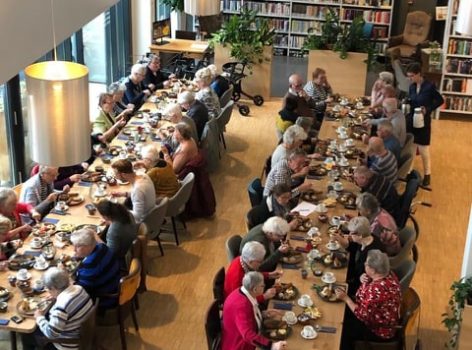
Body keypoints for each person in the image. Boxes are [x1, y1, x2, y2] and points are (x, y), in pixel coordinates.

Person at [335, 250, 401, 350]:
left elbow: (362, 315)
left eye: (366, 264)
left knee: (342, 328)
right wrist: (364, 278)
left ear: (373, 270)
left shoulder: (376, 291)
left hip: (377, 329)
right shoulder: (389, 274)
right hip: (373, 313)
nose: (365, 264)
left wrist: (346, 299)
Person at [21, 267, 94, 350]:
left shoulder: (61, 308)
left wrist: (39, 317)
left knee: (26, 335)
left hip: (69, 344)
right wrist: (57, 296)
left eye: (48, 289)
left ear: (54, 288)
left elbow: (51, 334)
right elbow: (70, 303)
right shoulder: (79, 288)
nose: (47, 291)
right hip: (83, 332)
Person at [222, 271, 287, 350]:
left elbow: (249, 314)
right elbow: (247, 335)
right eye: (263, 285)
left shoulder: (245, 291)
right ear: (255, 289)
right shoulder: (241, 306)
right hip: (240, 345)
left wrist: (262, 314)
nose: (265, 286)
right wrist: (272, 346)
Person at [406, 62, 444, 187]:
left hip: (423, 121)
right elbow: (411, 100)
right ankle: (409, 172)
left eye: (411, 76)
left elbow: (440, 100)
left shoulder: (429, 86)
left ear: (418, 74)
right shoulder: (411, 87)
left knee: (423, 149)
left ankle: (427, 175)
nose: (410, 78)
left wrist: (428, 109)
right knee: (411, 147)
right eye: (409, 76)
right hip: (412, 120)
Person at [332, 216, 385, 293]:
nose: (349, 234)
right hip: (353, 272)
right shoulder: (365, 239)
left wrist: (363, 277)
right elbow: (351, 247)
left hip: (359, 285)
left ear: (360, 235)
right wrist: (339, 239)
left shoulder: (375, 252)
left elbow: (374, 276)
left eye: (352, 233)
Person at [71, 228, 121, 309]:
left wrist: (67, 277)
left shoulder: (90, 266)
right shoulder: (102, 247)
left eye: (78, 246)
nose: (74, 249)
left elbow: (79, 291)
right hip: (115, 283)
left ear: (88, 246)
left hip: (105, 297)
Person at [96, 199, 138, 268]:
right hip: (129, 246)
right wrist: (110, 222)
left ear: (105, 216)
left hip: (122, 257)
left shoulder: (113, 230)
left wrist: (96, 237)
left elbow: (109, 253)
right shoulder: (126, 213)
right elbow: (119, 226)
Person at [111, 159, 156, 224]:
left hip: (143, 222)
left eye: (116, 174)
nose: (115, 177)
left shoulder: (137, 189)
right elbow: (141, 195)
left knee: (112, 220)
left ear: (123, 175)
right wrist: (124, 194)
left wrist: (119, 210)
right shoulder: (142, 175)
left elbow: (137, 216)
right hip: (151, 213)